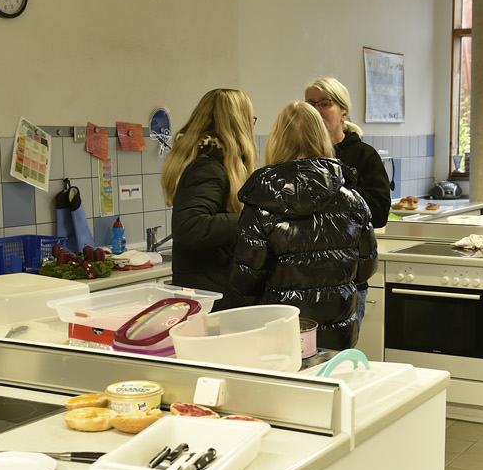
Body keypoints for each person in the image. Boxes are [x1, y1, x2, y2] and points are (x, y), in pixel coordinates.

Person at [230, 102, 377, 350]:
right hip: (338, 335)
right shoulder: (353, 201)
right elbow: (365, 269)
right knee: (334, 376)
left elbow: (245, 280)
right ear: (322, 138)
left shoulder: (261, 204)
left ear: (276, 141)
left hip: (282, 333)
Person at [160, 88, 259, 308]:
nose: (253, 127)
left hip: (210, 292)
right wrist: (253, 219)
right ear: (239, 124)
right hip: (210, 296)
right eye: (250, 120)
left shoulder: (212, 163)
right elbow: (190, 226)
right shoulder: (209, 168)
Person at [305, 77, 391, 227]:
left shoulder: (364, 155)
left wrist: (342, 182)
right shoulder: (300, 154)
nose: (316, 111)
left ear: (343, 114)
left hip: (351, 241)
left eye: (324, 104)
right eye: (310, 105)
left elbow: (379, 215)